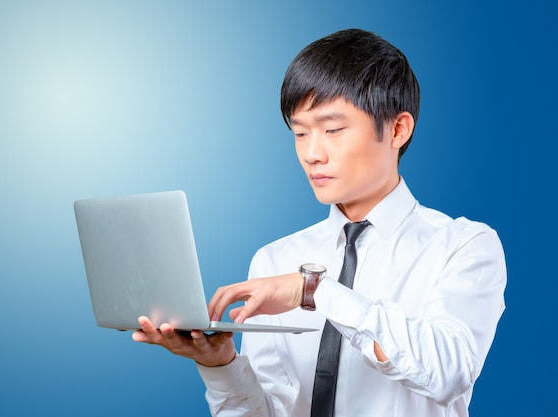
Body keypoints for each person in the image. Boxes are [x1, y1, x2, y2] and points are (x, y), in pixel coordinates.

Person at [132, 28, 507, 417]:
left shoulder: (463, 246)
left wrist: (312, 291)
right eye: (299, 133)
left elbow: (448, 372)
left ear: (397, 129)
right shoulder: (275, 260)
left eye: (333, 130)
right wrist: (220, 364)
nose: (312, 153)